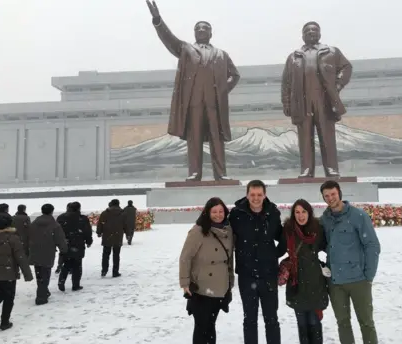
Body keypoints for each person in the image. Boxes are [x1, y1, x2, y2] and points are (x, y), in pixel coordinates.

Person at [145, 0, 240, 181]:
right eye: (198, 28)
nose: (202, 31)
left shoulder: (221, 54)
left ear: (211, 33)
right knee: (194, 139)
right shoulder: (186, 49)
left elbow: (234, 75)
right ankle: (195, 173)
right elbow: (169, 39)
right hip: (194, 103)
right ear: (194, 33)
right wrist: (158, 20)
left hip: (214, 105)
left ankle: (221, 174)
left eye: (205, 28)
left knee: (216, 139)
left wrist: (222, 90)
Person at [281, 21, 352, 177]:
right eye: (307, 30)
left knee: (327, 136)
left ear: (320, 33)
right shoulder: (294, 57)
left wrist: (338, 85)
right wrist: (287, 104)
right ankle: (307, 169)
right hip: (302, 102)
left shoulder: (331, 52)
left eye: (314, 30)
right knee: (305, 138)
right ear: (302, 35)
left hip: (324, 100)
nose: (311, 32)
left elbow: (347, 68)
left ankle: (331, 169)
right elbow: (286, 83)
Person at [319, 180, 381, 344]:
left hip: (359, 280)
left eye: (333, 194)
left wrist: (368, 276)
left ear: (339, 193)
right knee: (343, 324)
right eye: (327, 196)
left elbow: (372, 245)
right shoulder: (324, 220)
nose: (330, 198)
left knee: (366, 323)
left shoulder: (358, 216)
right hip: (336, 283)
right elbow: (320, 245)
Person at [229, 179, 286, 344]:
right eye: (252, 194)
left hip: (268, 275)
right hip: (247, 275)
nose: (256, 198)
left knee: (271, 319)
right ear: (247, 195)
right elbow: (226, 236)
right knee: (249, 319)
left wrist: (273, 255)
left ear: (264, 195)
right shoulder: (236, 214)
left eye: (259, 194)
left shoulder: (272, 213)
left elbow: (281, 238)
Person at [179, 197, 234, 344]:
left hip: (219, 287)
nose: (218, 214)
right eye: (214, 211)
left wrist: (230, 283)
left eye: (221, 211)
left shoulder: (228, 230)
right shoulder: (198, 231)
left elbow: (229, 260)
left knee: (210, 325)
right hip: (201, 288)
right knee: (202, 327)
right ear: (207, 213)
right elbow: (185, 257)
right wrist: (185, 284)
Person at [281, 199, 329, 344]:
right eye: (297, 212)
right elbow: (278, 249)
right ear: (293, 213)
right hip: (296, 282)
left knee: (314, 322)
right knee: (302, 324)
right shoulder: (288, 230)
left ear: (309, 212)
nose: (300, 216)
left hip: (315, 281)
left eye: (304, 212)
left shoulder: (317, 229)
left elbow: (329, 248)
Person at [0, 213, 33, 331]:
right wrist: (27, 274)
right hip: (8, 273)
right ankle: (4, 322)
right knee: (8, 298)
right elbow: (20, 257)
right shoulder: (13, 238)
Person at [26, 203, 68, 305]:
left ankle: (44, 291)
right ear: (51, 211)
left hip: (35, 251)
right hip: (47, 252)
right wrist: (64, 249)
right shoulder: (54, 225)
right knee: (45, 274)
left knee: (39, 274)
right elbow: (60, 239)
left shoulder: (34, 223)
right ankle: (41, 297)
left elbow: (28, 236)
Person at [56, 201, 93, 291]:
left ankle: (61, 281)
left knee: (66, 264)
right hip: (78, 243)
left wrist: (58, 242)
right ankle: (75, 284)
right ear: (79, 208)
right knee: (77, 265)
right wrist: (89, 241)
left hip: (66, 243)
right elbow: (87, 231)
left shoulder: (61, 217)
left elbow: (57, 231)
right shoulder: (82, 218)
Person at [97, 199, 127, 277]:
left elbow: (100, 223)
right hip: (118, 236)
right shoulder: (123, 213)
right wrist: (128, 233)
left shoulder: (105, 213)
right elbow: (125, 224)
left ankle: (104, 270)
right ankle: (115, 272)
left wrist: (99, 232)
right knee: (116, 255)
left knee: (105, 255)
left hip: (107, 236)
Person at [55, 203, 72, 274]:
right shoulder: (76, 217)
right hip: (73, 238)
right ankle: (70, 268)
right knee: (71, 253)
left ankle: (59, 266)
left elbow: (56, 228)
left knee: (62, 253)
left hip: (62, 238)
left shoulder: (61, 217)